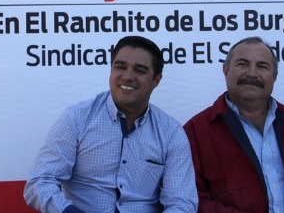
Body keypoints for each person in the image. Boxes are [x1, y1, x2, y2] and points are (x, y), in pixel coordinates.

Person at [23, 35, 198, 213]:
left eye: (140, 70)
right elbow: (40, 182)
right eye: (120, 67)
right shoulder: (77, 118)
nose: (128, 76)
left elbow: (182, 203)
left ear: (156, 80)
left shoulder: (171, 133)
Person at [183, 36, 284, 212]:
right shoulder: (196, 131)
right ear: (225, 70)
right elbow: (191, 198)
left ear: (274, 76)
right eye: (242, 64)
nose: (252, 73)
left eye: (262, 66)